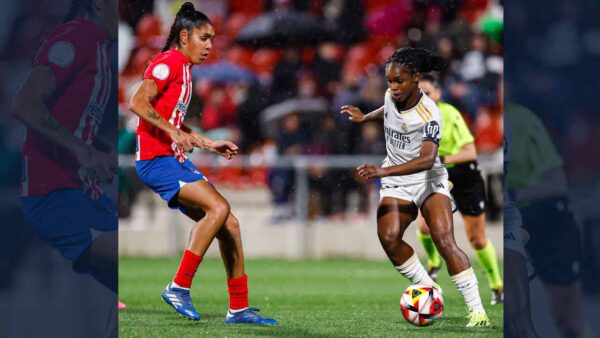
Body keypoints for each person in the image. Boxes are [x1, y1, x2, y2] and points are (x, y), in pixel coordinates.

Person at [128, 2, 276, 325]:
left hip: (174, 158)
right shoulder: (168, 62)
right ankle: (178, 286)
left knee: (230, 226)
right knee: (219, 209)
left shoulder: (185, 70)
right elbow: (137, 102)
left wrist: (208, 142)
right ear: (184, 36)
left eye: (212, 38)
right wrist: (170, 132)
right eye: (204, 38)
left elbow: (174, 120)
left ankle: (238, 307)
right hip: (157, 159)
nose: (210, 46)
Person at [340, 47, 490, 327]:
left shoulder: (429, 113)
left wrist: (382, 170)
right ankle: (429, 289)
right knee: (389, 237)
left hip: (428, 179)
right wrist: (365, 117)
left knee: (444, 242)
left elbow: (426, 160)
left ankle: (477, 311)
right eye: (390, 81)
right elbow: (389, 111)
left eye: (400, 82)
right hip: (398, 182)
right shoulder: (390, 95)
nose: (393, 87)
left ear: (416, 78)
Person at [10, 0, 119, 335]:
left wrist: (103, 150)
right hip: (56, 196)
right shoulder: (74, 39)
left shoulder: (99, 46)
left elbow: (72, 120)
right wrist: (84, 151)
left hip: (83, 193)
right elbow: (25, 103)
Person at [415, 74, 504, 304]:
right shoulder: (413, 118)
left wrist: (442, 158)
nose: (424, 97)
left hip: (464, 174)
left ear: (438, 94)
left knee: (476, 238)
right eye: (420, 93)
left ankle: (497, 286)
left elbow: (470, 152)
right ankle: (434, 263)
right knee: (424, 226)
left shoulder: (450, 114)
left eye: (428, 92)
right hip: (438, 174)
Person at [506, 103, 587, 337]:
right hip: (512, 220)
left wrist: (510, 195)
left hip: (546, 218)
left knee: (568, 320)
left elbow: (558, 184)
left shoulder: (521, 120)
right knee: (514, 315)